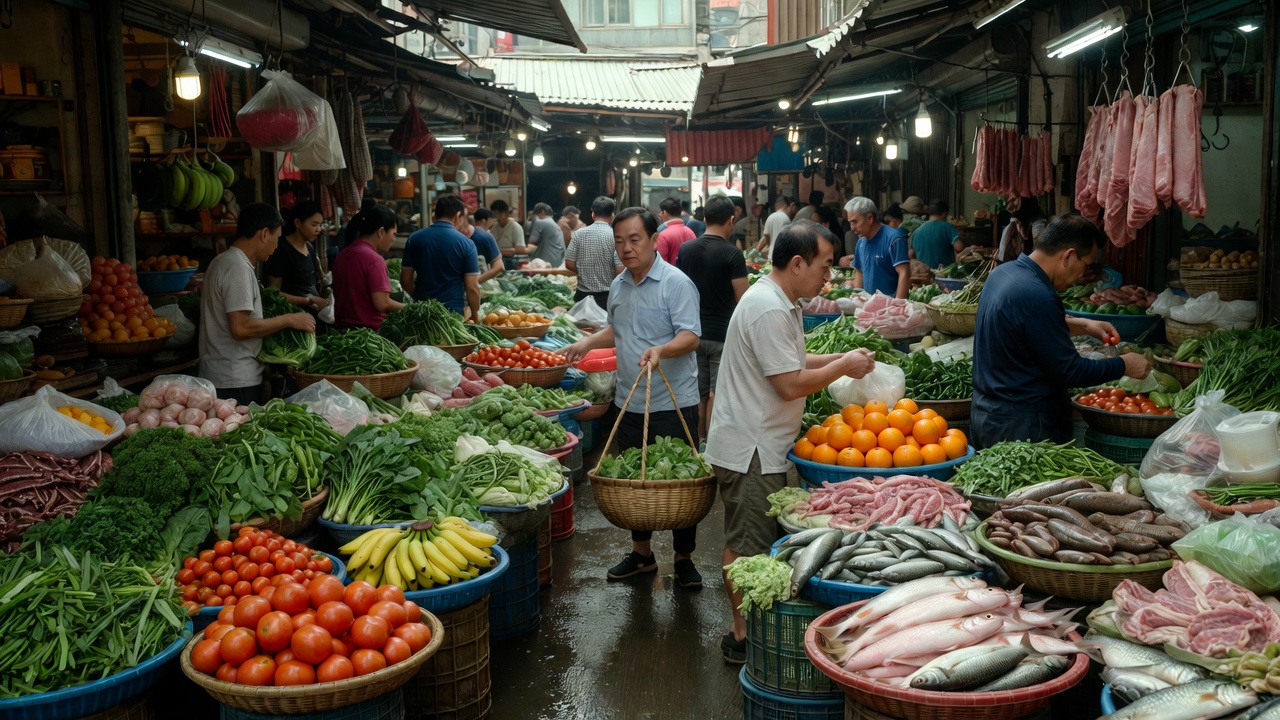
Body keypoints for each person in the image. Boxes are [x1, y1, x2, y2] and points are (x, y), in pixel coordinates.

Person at [705, 220, 877, 664]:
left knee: (750, 539)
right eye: (823, 266)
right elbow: (788, 383)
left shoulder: (781, 301)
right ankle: (741, 635)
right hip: (751, 450)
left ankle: (749, 628)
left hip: (761, 445)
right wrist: (842, 368)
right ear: (797, 262)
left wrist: (841, 358)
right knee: (746, 544)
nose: (828, 275)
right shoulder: (768, 308)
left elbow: (793, 359)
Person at [561, 208, 703, 589]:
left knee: (679, 483)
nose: (626, 248)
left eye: (634, 239)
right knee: (633, 484)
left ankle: (684, 558)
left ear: (654, 240)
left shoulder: (676, 283)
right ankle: (642, 555)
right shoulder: (620, 284)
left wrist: (661, 350)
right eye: (619, 241)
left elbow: (691, 335)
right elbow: (618, 330)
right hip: (628, 401)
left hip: (673, 402)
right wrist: (588, 341)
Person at [973, 215, 1151, 449]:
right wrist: (1124, 365)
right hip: (1021, 430)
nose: (1081, 276)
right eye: (1086, 265)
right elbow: (1071, 371)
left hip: (987, 416)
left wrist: (1084, 325)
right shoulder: (1038, 296)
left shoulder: (1004, 274)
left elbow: (1025, 328)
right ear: (1068, 255)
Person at [199, 203, 316, 406]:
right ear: (264, 234)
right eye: (277, 238)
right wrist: (290, 319)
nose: (276, 246)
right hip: (236, 380)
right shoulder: (238, 268)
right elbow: (240, 328)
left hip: (221, 375)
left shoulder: (222, 261)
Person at [676, 196, 749, 439]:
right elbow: (743, 299)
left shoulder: (686, 250)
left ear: (704, 219)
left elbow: (678, 290)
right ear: (731, 219)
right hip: (722, 335)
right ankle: (713, 444)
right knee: (716, 393)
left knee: (696, 392)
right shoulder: (733, 255)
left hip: (691, 334)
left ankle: (697, 443)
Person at [401, 194, 481, 319]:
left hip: (421, 314)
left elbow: (406, 280)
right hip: (453, 316)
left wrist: (418, 303)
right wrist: (475, 316)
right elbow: (472, 288)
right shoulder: (467, 244)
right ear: (458, 216)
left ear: (435, 215)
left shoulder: (414, 238)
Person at [331, 204, 405, 330]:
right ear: (381, 232)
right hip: (368, 335)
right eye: (393, 234)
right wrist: (410, 307)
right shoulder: (374, 260)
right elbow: (382, 304)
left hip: (342, 330)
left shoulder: (343, 254)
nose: (393, 239)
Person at [263, 200, 329, 314]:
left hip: (313, 317)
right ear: (298, 223)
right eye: (314, 225)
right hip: (291, 318)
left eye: (320, 225)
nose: (318, 229)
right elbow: (273, 292)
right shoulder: (282, 250)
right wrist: (307, 300)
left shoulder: (310, 247)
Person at [840, 197, 909, 299]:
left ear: (870, 218)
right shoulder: (861, 242)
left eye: (854, 222)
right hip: (868, 307)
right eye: (850, 222)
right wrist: (857, 299)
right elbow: (859, 271)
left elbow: (904, 273)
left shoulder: (894, 239)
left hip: (889, 307)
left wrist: (897, 305)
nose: (852, 227)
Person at [565, 196, 622, 311]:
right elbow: (620, 270)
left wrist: (584, 271)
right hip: (607, 298)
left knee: (581, 328)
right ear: (612, 216)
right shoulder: (616, 236)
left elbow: (568, 263)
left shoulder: (579, 234)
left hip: (582, 297)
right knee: (604, 327)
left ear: (593, 214)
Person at [911, 199, 963, 269]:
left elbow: (910, 255)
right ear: (945, 214)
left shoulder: (916, 231)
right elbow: (959, 247)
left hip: (924, 274)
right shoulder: (947, 227)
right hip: (943, 273)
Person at [998, 196, 1048, 263]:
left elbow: (1039, 254)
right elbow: (1002, 256)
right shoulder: (1013, 223)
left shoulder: (1038, 225)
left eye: (1014, 199)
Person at [465, 210, 504, 284]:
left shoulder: (455, 238)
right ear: (484, 220)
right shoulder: (485, 237)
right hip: (482, 284)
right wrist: (474, 283)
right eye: (492, 220)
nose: (493, 222)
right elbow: (499, 267)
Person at [656, 196, 697, 265]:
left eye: (661, 212)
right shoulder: (690, 232)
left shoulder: (663, 235)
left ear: (665, 213)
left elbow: (660, 263)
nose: (660, 215)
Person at [490, 199, 526, 270]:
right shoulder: (494, 227)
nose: (498, 217)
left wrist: (498, 251)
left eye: (500, 214)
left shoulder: (515, 227)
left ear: (506, 213)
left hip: (512, 262)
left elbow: (520, 249)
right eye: (495, 215)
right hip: (497, 261)